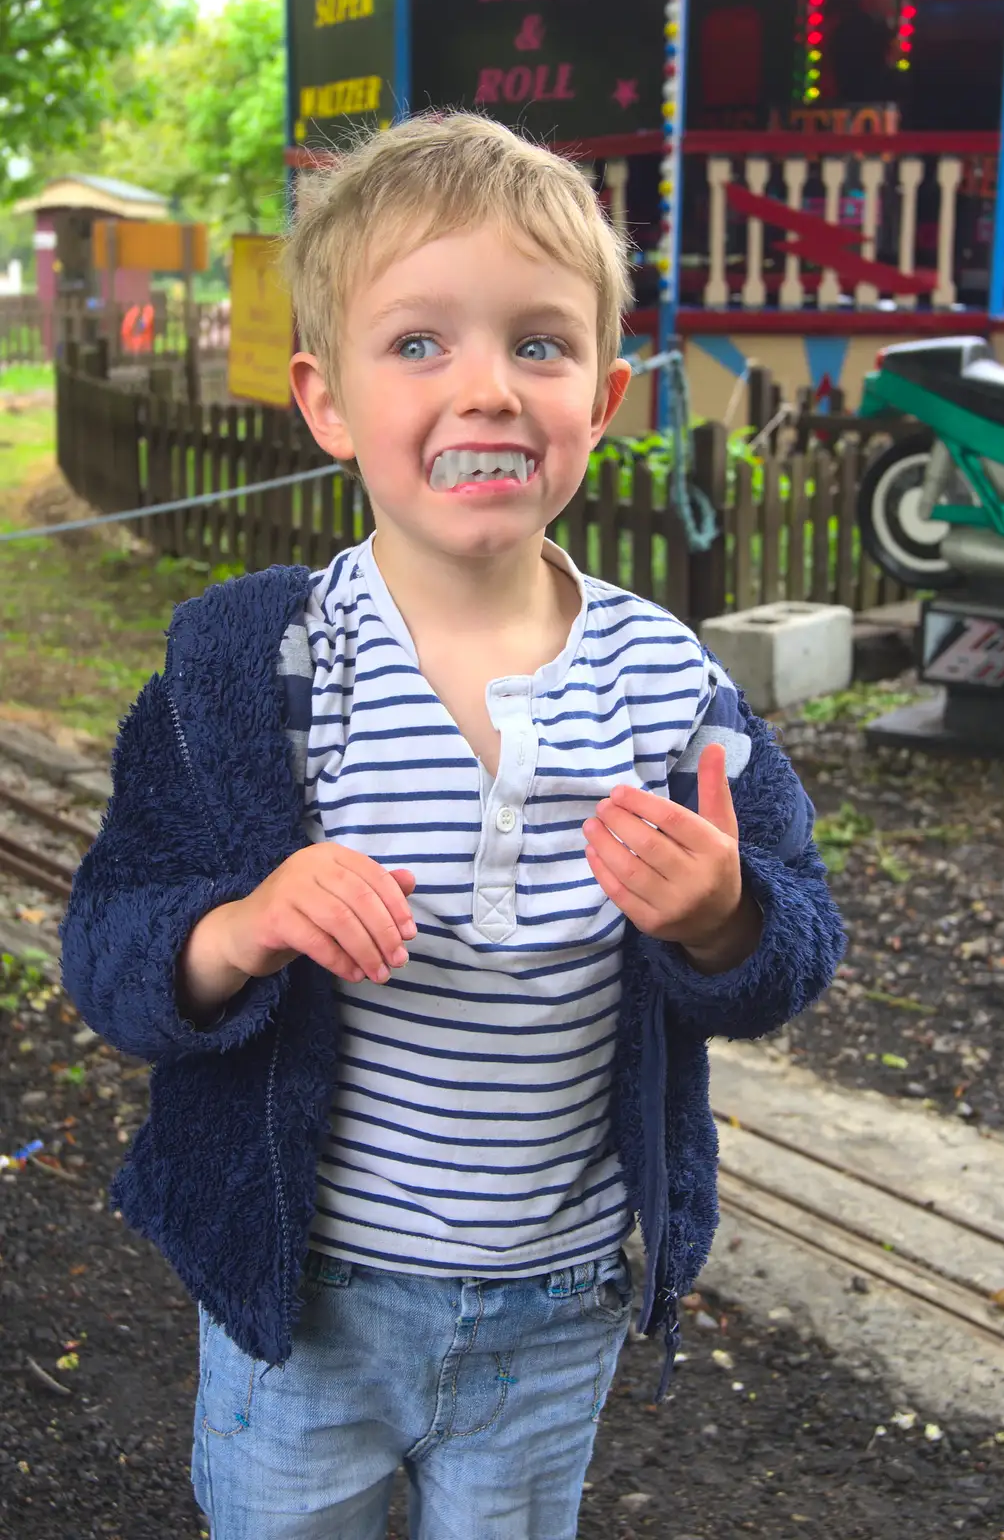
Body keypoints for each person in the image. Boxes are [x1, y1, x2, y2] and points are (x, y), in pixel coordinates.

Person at [61, 112, 845, 1540]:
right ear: (327, 401)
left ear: (602, 400)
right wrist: (239, 928)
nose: (487, 388)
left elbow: (796, 936)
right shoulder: (256, 671)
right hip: (302, 1303)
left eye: (537, 345)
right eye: (420, 343)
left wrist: (725, 918)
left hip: (557, 1306)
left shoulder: (669, 684)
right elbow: (109, 943)